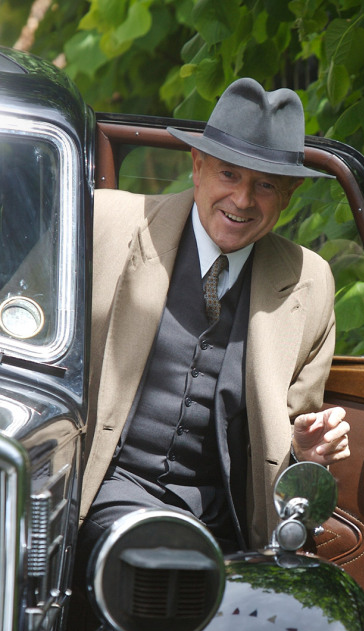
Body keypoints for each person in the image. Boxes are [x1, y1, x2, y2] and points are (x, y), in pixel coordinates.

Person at [77, 77, 350, 563]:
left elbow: (291, 442)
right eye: (229, 175)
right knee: (156, 563)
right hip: (105, 492)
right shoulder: (105, 224)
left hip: (227, 525)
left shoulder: (311, 282)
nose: (243, 200)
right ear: (197, 168)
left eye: (265, 184)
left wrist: (308, 452)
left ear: (287, 195)